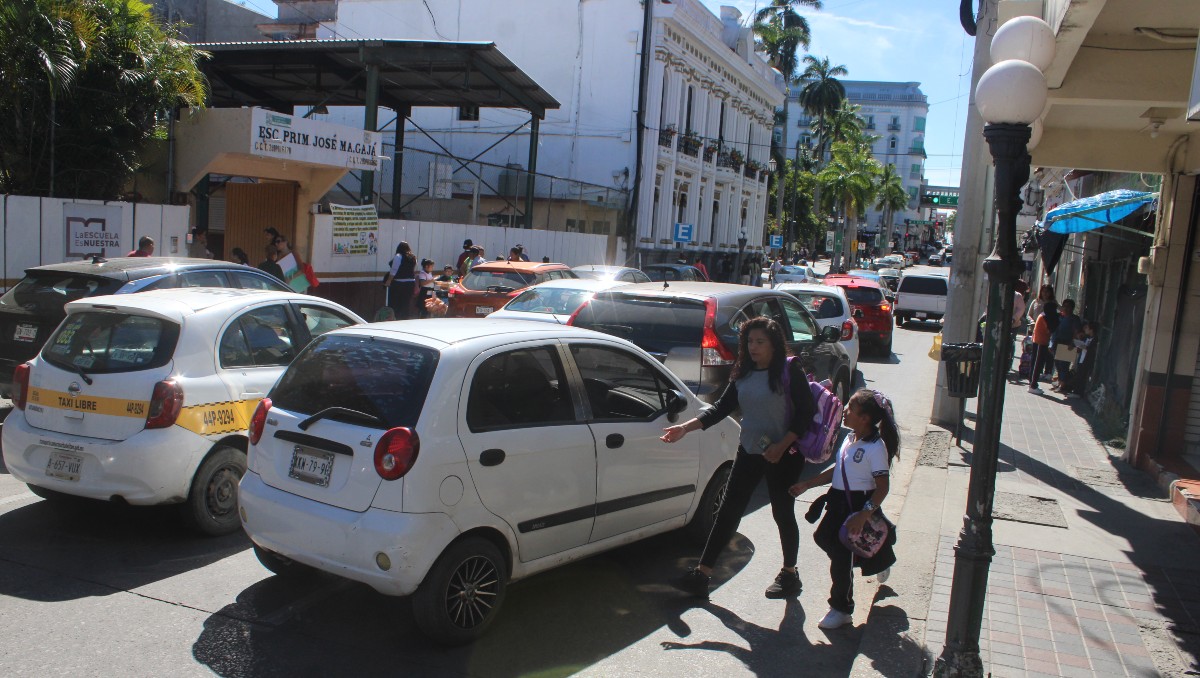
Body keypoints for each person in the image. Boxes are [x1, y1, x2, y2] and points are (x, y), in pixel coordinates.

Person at [662, 316, 817, 599]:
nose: (754, 347)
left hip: (784, 454)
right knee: (729, 511)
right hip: (750, 450)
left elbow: (806, 413)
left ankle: (789, 573)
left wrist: (782, 445)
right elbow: (721, 408)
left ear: (774, 345)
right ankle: (702, 574)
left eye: (761, 342)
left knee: (782, 512)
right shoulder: (743, 372)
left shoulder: (788, 370)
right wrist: (684, 428)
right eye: (750, 341)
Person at [790, 389, 899, 630]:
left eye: (851, 408)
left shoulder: (875, 447)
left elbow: (882, 488)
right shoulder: (849, 439)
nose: (845, 412)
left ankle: (841, 608)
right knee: (823, 538)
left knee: (841, 557)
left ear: (865, 418)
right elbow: (838, 470)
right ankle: (877, 554)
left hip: (856, 506)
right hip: (839, 502)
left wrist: (865, 514)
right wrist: (808, 484)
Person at [1051, 299, 1083, 391]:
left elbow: (1076, 332)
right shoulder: (1060, 317)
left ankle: (1063, 385)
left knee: (1064, 365)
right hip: (1057, 342)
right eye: (1064, 306)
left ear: (1072, 308)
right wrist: (1051, 343)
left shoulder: (1074, 319)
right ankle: (1060, 382)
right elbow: (1054, 330)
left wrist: (1073, 343)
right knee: (1057, 364)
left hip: (1068, 343)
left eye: (1068, 306)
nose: (1066, 308)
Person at [1027, 300, 1059, 393]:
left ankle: (1033, 384)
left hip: (1040, 341)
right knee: (1037, 364)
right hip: (1040, 342)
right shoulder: (1045, 317)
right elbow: (1050, 329)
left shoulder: (1043, 315)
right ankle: (1033, 385)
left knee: (1037, 364)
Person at [383, 242, 417, 320]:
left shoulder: (398, 256)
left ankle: (396, 318)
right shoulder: (413, 257)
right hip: (410, 283)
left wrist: (389, 280)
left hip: (399, 283)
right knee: (406, 303)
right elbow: (412, 270)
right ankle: (404, 319)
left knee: (396, 303)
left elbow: (394, 270)